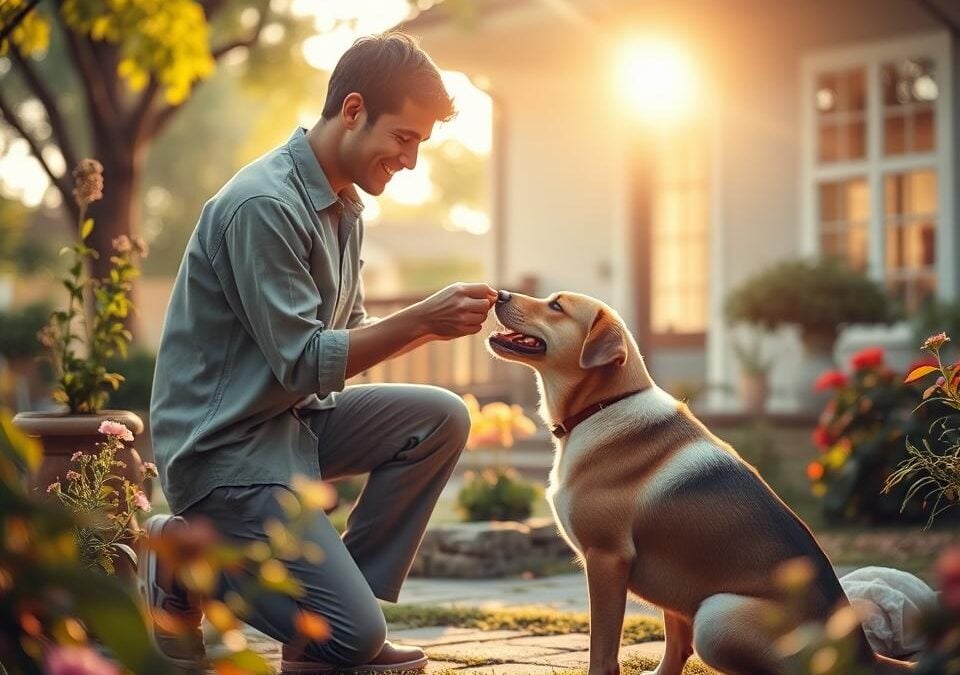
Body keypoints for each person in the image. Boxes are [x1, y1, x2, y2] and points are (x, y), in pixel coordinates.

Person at [143, 31, 497, 673]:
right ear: (354, 109)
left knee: (439, 417)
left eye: (420, 143)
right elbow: (307, 361)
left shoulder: (342, 206)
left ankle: (322, 626)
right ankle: (182, 560)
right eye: (405, 138)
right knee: (357, 641)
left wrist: (430, 324)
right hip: (227, 453)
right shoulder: (263, 206)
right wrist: (423, 316)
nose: (412, 160)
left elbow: (346, 333)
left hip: (293, 426)